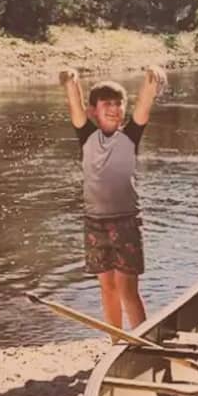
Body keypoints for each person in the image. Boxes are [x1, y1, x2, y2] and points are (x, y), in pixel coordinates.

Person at [58, 66, 166, 332]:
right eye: (107, 104)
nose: (115, 109)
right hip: (95, 223)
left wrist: (151, 79)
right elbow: (74, 103)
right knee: (107, 287)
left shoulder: (130, 137)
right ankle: (116, 341)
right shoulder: (86, 138)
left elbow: (143, 106)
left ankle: (142, 342)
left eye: (119, 104)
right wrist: (70, 80)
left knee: (128, 289)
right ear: (93, 110)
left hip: (126, 223)